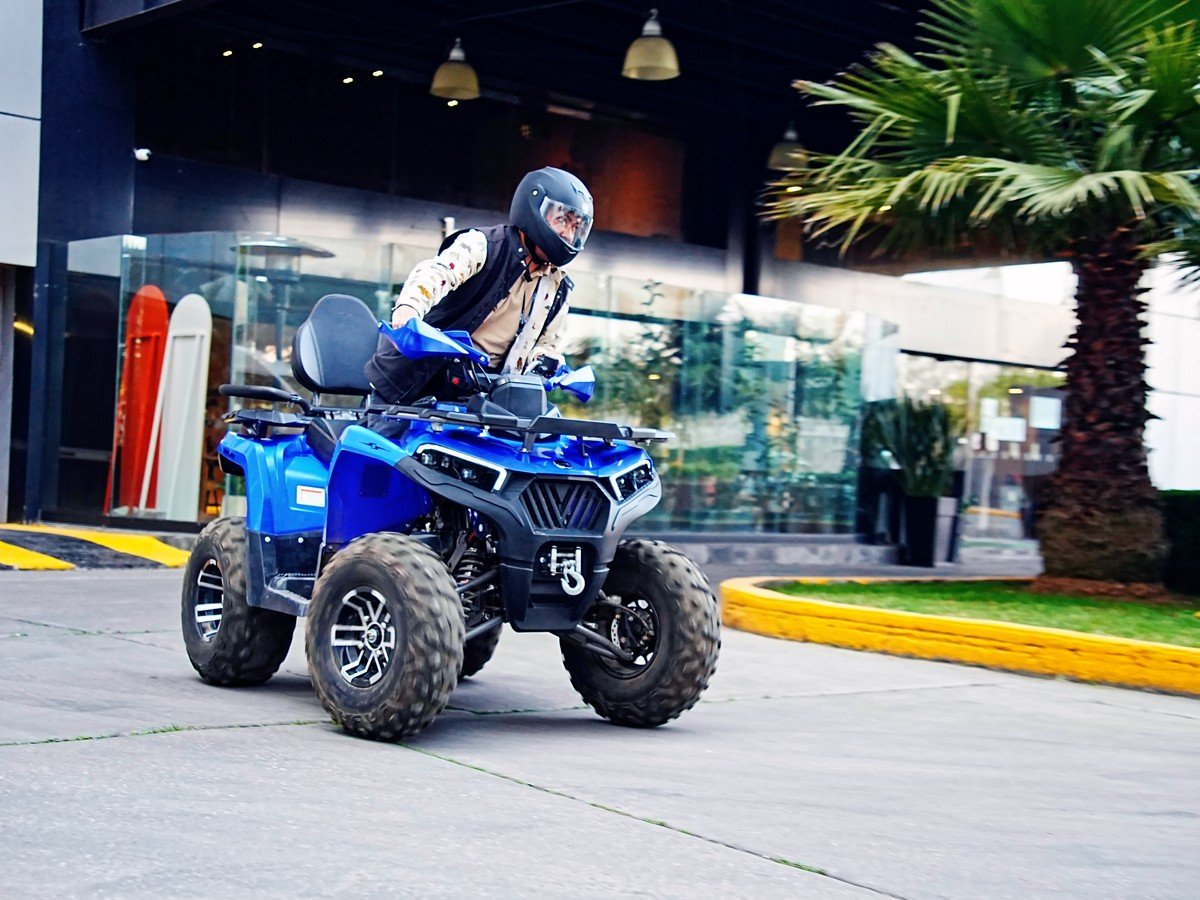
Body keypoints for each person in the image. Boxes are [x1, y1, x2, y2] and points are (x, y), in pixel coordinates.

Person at [364, 166, 593, 430]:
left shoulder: (558, 286)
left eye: (576, 226)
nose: (568, 234)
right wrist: (409, 309)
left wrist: (544, 358)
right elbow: (436, 274)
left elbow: (546, 342)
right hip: (413, 385)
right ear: (533, 207)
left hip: (482, 402)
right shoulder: (484, 245)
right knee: (388, 449)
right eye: (562, 220)